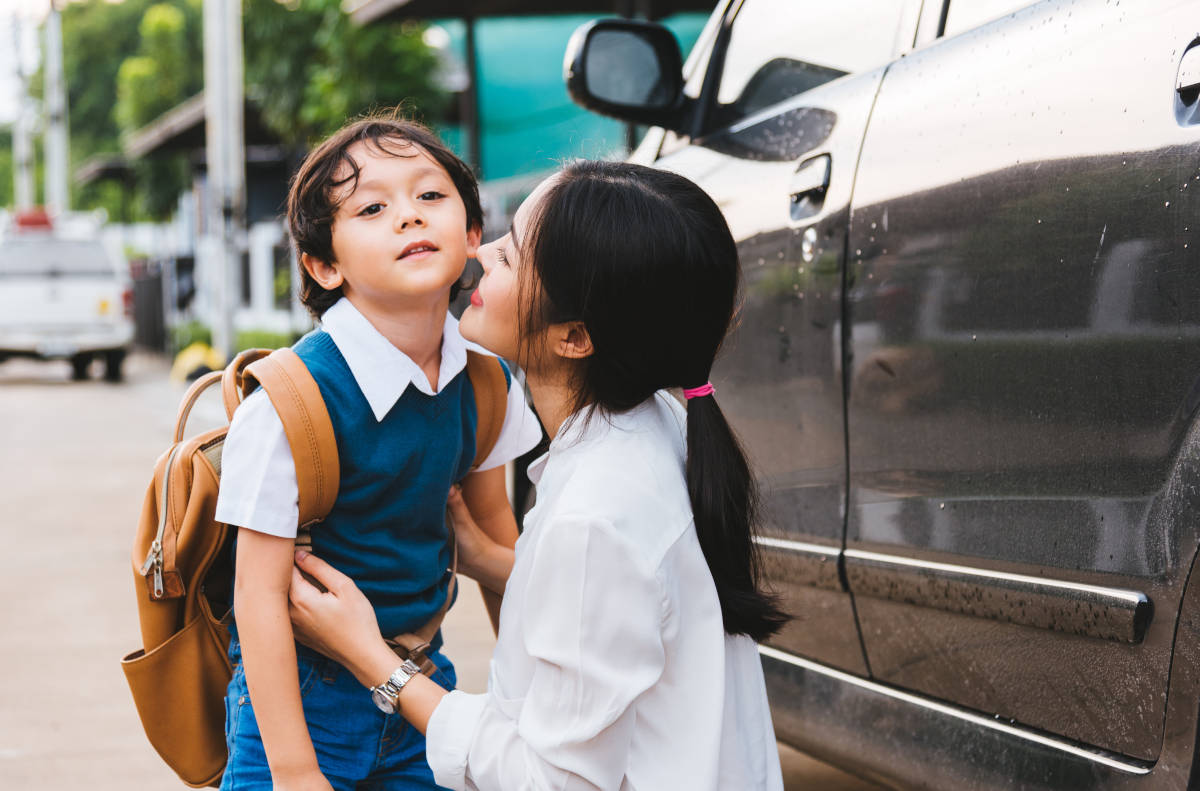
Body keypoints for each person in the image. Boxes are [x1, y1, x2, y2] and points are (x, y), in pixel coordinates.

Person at [288, 159, 789, 791]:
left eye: (511, 257)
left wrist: (370, 658)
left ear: (574, 337)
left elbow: (556, 781)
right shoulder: (659, 424)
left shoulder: (596, 514)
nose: (484, 249)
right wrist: (492, 561)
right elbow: (626, 614)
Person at [214, 114, 542, 790]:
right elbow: (257, 596)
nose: (408, 217)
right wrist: (297, 770)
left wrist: (527, 704)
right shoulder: (289, 401)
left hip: (424, 686)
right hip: (302, 701)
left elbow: (494, 546)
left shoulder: (486, 382)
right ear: (324, 264)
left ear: (473, 233)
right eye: (372, 207)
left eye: (430, 196)